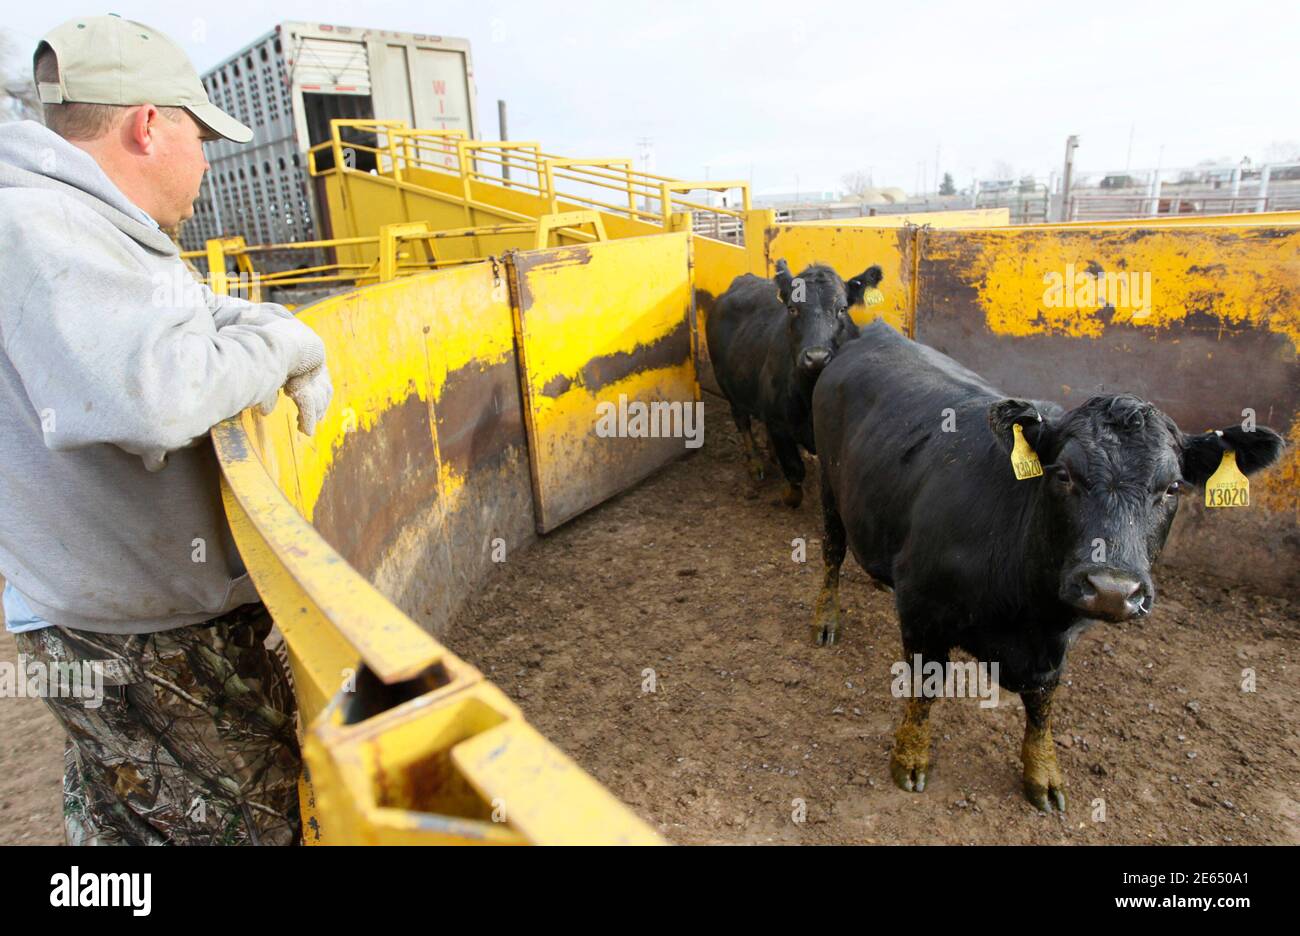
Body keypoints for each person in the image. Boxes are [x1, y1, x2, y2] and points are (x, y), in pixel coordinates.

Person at [0, 14, 333, 845]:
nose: (206, 159)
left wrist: (251, 324)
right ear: (149, 125)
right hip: (136, 633)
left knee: (125, 819)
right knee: (241, 826)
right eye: (199, 133)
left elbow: (167, 317)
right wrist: (281, 340)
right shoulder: (42, 227)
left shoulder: (78, 219)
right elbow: (157, 396)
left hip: (116, 612)